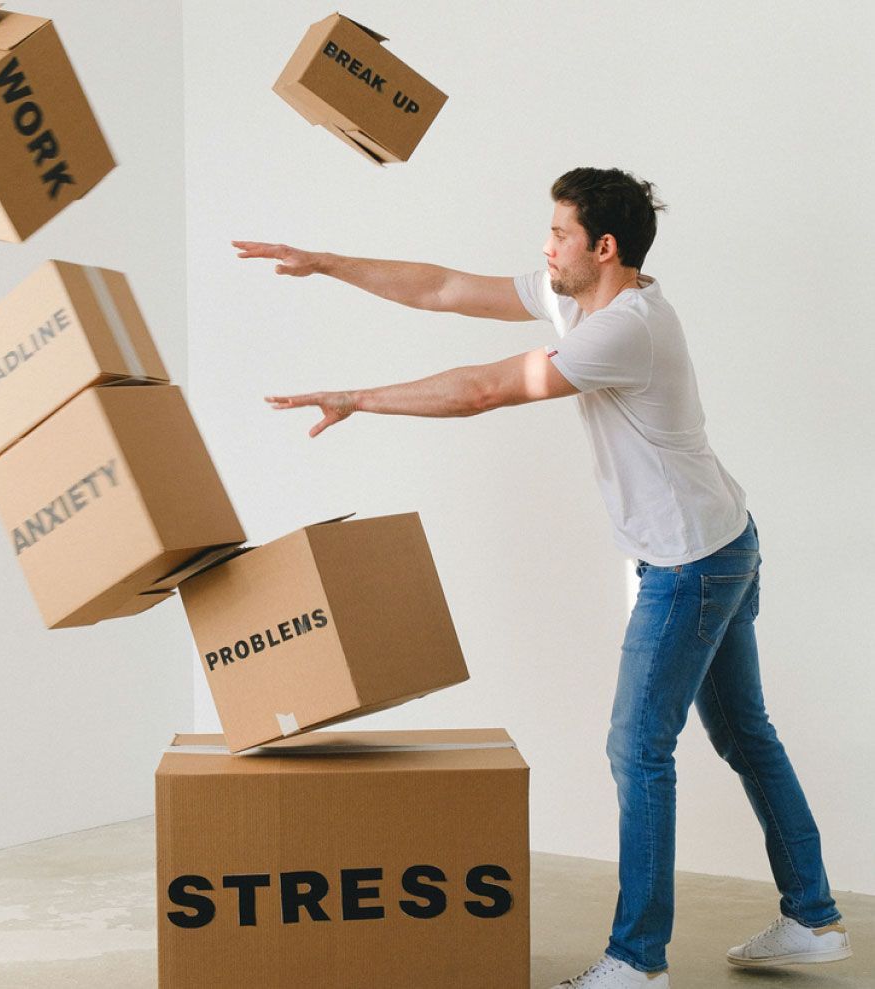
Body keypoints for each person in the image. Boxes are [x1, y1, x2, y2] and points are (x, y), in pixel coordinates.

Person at [232, 167, 850, 988]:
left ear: (604, 247)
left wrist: (356, 396)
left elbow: (486, 389)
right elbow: (447, 287)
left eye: (558, 233)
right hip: (720, 539)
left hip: (690, 564)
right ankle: (813, 919)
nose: (545, 246)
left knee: (638, 749)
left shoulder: (623, 328)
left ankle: (638, 961)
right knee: (744, 733)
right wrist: (327, 260)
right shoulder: (582, 299)